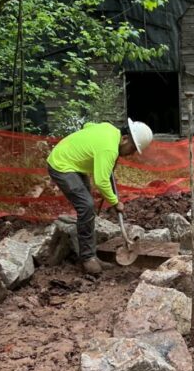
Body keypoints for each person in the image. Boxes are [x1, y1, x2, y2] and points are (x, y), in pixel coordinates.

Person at [47, 118, 153, 276]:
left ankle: (92, 253)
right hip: (61, 164)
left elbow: (88, 126)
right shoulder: (109, 149)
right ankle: (87, 258)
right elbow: (101, 181)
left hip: (73, 163)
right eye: (132, 148)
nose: (131, 154)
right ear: (124, 139)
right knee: (87, 206)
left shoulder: (109, 129)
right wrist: (115, 202)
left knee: (86, 206)